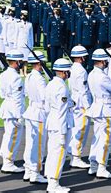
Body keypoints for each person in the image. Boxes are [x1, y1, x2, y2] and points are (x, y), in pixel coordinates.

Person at [86, 49, 111, 178]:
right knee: (105, 139)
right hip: (105, 109)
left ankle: (93, 164)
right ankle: (102, 167)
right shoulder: (102, 76)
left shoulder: (92, 74)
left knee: (97, 137)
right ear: (102, 61)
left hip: (97, 107)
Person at [44, 58, 74, 192]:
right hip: (60, 124)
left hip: (52, 121)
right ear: (64, 72)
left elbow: (46, 107)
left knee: (52, 153)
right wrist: (62, 133)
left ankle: (51, 180)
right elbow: (62, 111)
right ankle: (54, 184)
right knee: (58, 154)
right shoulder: (61, 87)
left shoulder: (51, 84)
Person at [22, 50, 49, 184]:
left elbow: (26, 93)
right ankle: (36, 172)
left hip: (31, 110)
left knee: (30, 143)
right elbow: (45, 96)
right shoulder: (39, 78)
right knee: (38, 144)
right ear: (39, 63)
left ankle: (28, 169)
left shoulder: (29, 76)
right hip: (38, 112)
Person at [0, 49, 26, 173]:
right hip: (14, 111)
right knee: (13, 136)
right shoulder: (16, 77)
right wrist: (20, 115)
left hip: (7, 107)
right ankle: (8, 162)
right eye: (20, 61)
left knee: (8, 135)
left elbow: (2, 94)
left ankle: (6, 159)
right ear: (17, 62)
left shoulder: (3, 74)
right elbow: (18, 99)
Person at [68, 46, 92, 169]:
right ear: (82, 57)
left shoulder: (72, 68)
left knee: (75, 129)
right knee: (81, 130)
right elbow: (83, 91)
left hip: (74, 100)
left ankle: (73, 154)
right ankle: (76, 156)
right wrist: (88, 107)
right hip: (81, 103)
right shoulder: (81, 71)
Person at [15, 10, 33, 77]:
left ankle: (25, 72)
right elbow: (16, 35)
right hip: (20, 44)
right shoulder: (18, 24)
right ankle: (21, 72)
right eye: (22, 15)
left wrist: (31, 45)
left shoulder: (30, 24)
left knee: (26, 59)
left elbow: (31, 35)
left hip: (27, 44)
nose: (23, 17)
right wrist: (15, 45)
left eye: (25, 15)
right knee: (20, 59)